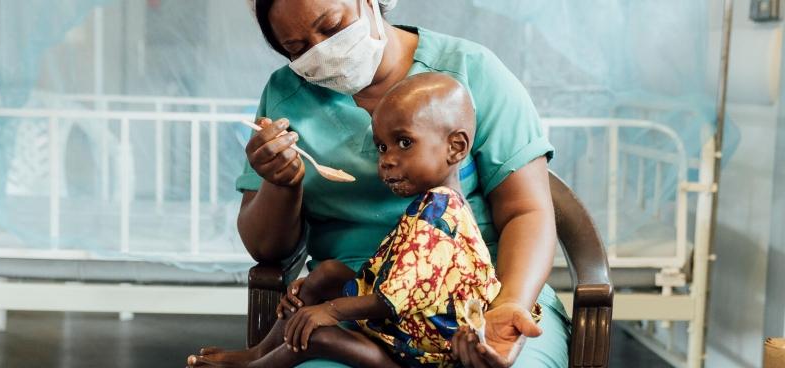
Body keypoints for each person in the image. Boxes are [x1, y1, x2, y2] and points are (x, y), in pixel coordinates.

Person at [197, 0, 569, 366]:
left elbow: (527, 211)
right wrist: (280, 184)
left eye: (332, 26)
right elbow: (267, 249)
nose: (322, 52)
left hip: (486, 294)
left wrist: (507, 306)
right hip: (353, 308)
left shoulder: (471, 72)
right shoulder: (286, 97)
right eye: (298, 49)